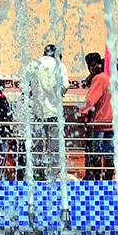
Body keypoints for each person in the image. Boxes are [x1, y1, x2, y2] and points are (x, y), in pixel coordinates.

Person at [26, 44, 68, 180]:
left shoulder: (33, 65)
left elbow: (24, 87)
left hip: (38, 112)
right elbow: (65, 85)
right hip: (54, 112)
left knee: (37, 144)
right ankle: (52, 176)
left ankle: (38, 174)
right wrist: (56, 94)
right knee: (54, 147)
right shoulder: (59, 65)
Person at [77, 52, 112, 180]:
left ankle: (97, 181)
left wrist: (81, 114)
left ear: (99, 64)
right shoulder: (109, 78)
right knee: (109, 154)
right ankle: (108, 180)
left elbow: (90, 100)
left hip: (98, 124)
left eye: (93, 65)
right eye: (89, 66)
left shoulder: (98, 79)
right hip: (112, 123)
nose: (91, 69)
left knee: (96, 154)